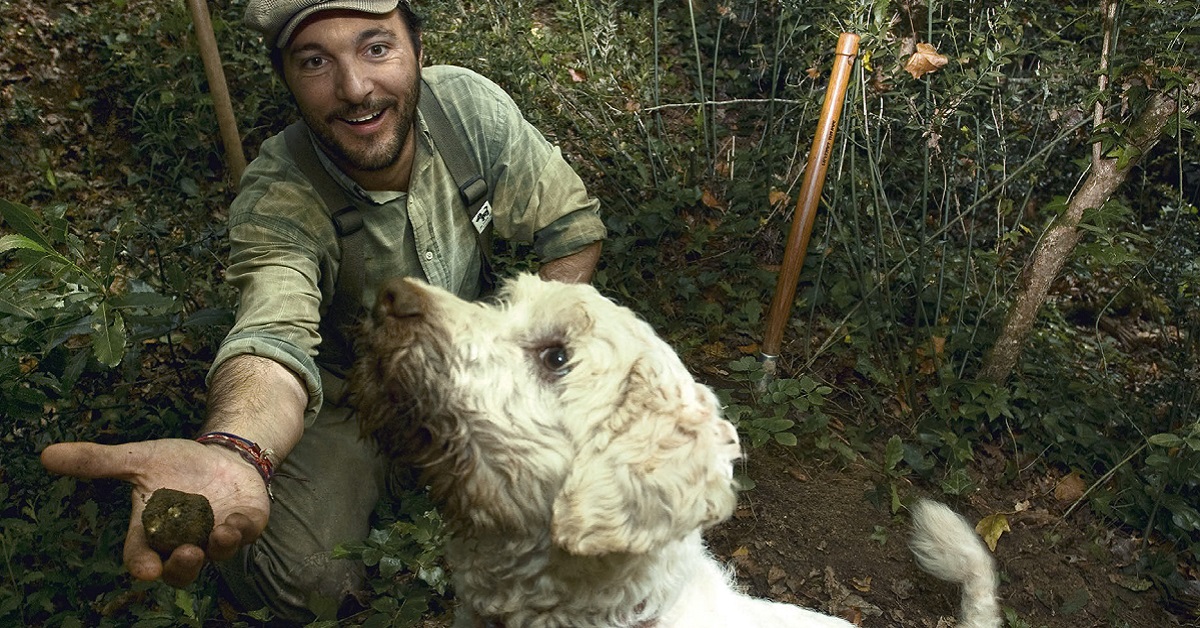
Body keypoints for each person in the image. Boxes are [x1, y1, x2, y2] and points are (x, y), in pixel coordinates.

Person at [40, 0, 606, 622]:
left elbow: (570, 229)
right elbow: (270, 339)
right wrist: (236, 449)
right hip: (347, 397)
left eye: (376, 48)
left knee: (594, 510)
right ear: (285, 80)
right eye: (315, 61)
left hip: (472, 363)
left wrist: (521, 361)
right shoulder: (279, 194)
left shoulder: (468, 111)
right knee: (305, 581)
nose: (355, 89)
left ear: (418, 47)